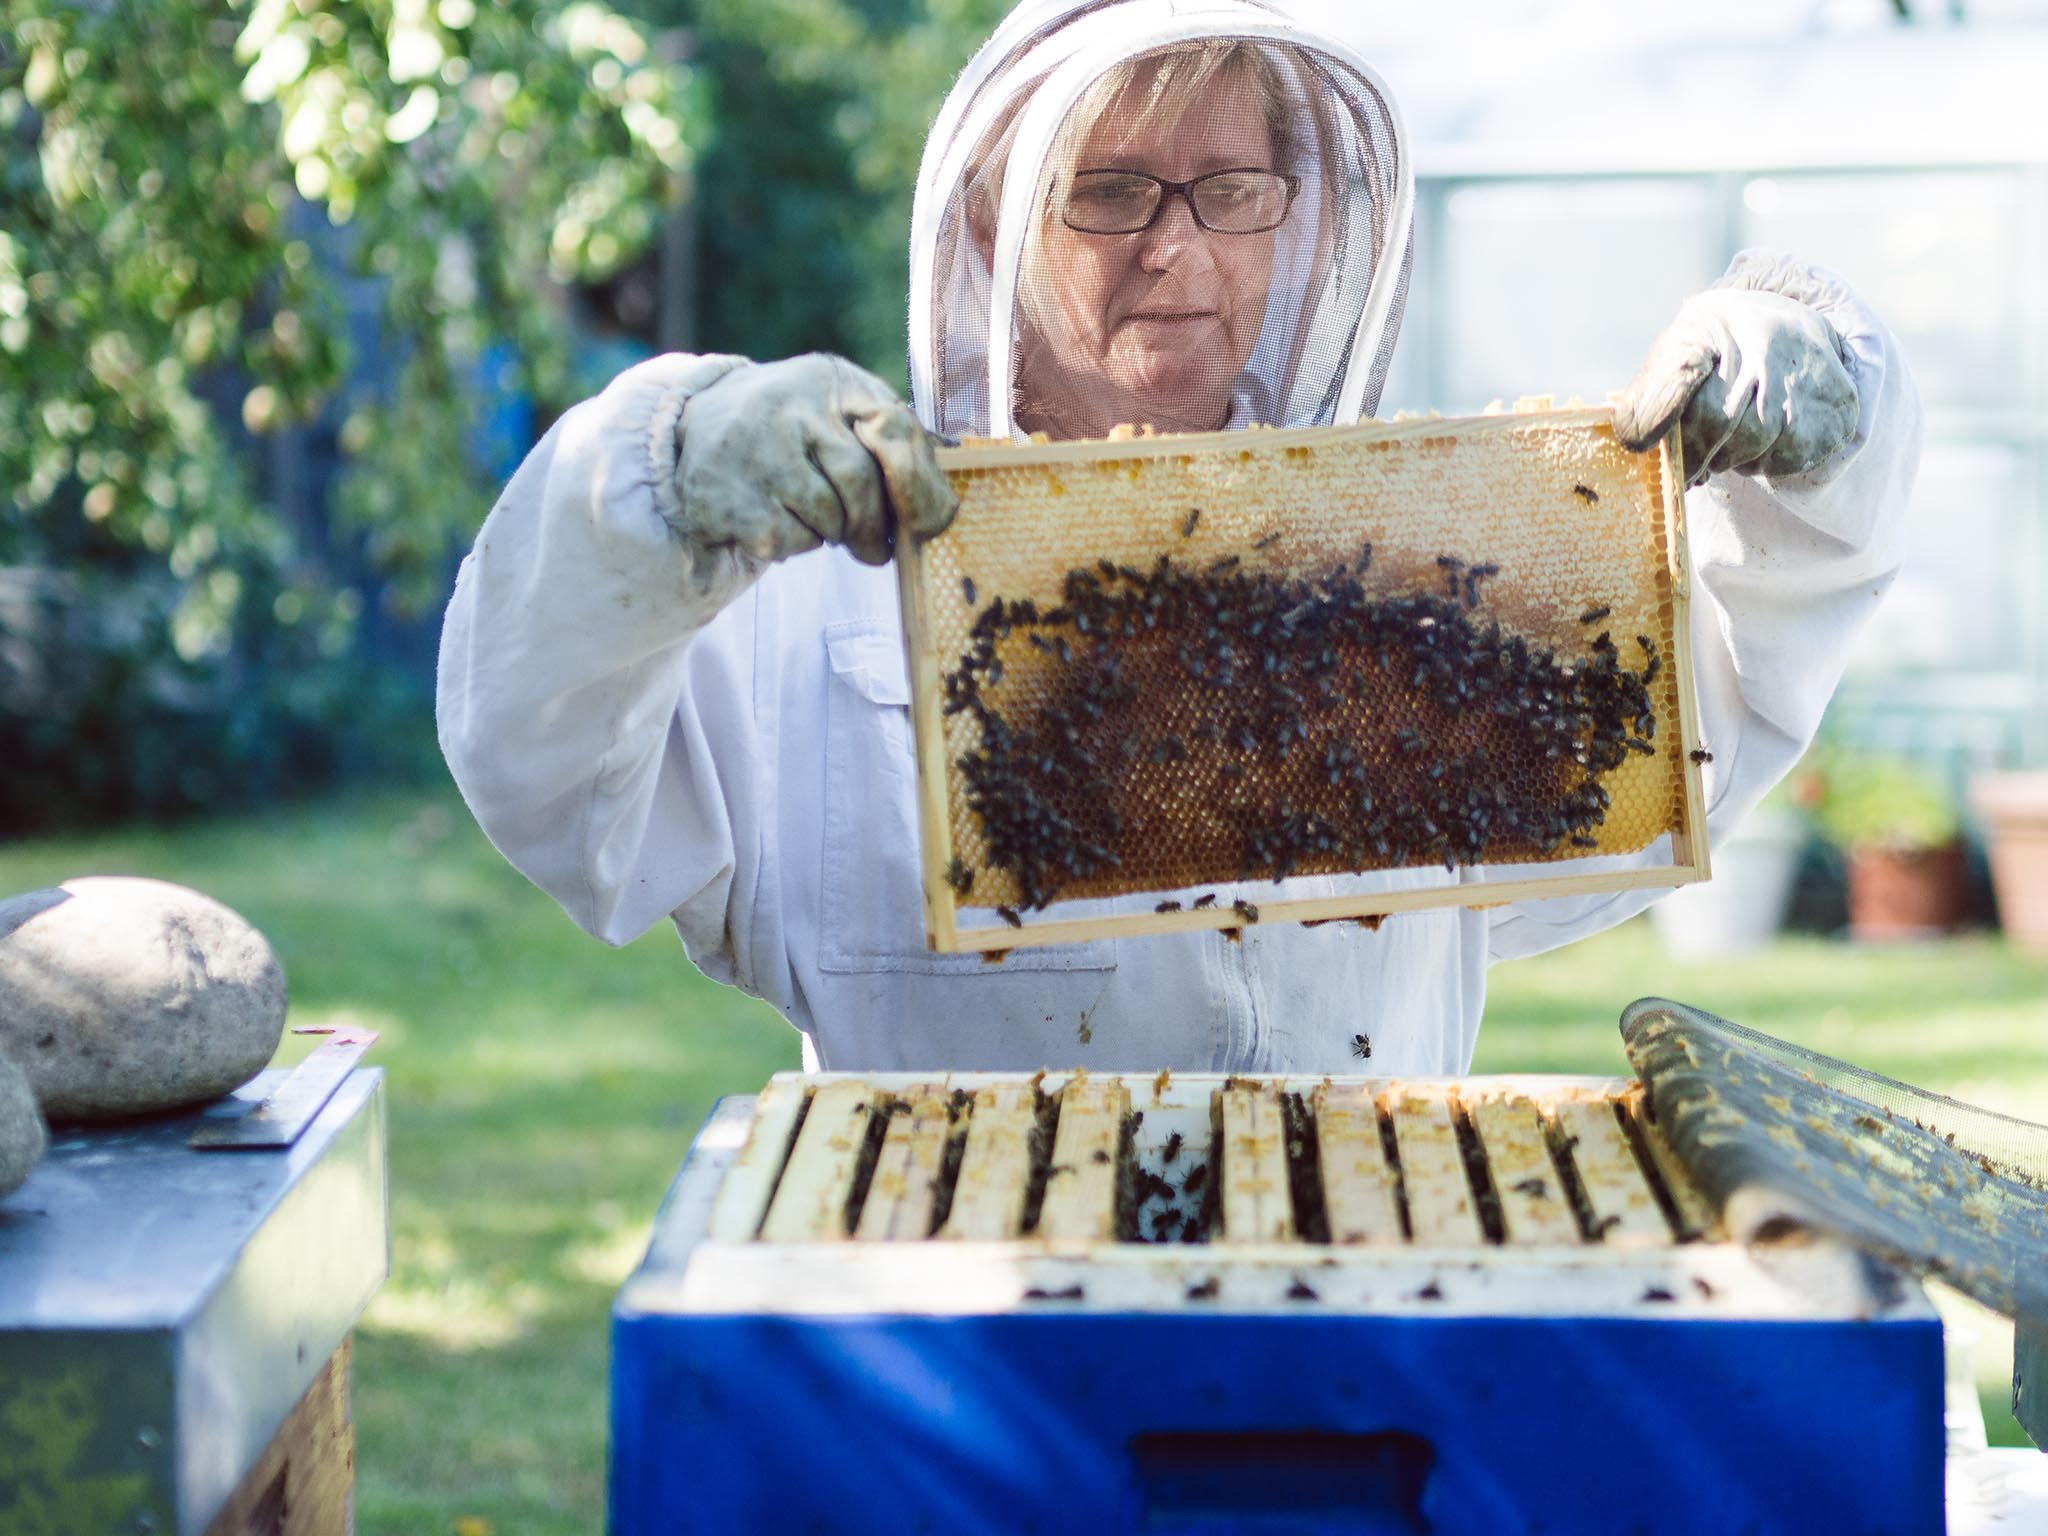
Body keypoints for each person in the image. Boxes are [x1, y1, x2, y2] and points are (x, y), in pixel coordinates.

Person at [437, 1, 1918, 1075]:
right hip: (958, 1350)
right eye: (1110, 192)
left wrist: (1818, 435)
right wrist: (664, 477)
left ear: (1298, 219)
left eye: (1231, 191)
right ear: (991, 226)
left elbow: (1719, 697)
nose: (1179, 246)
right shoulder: (821, 583)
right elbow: (539, 751)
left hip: (1364, 1314)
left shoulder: (1420, 569)